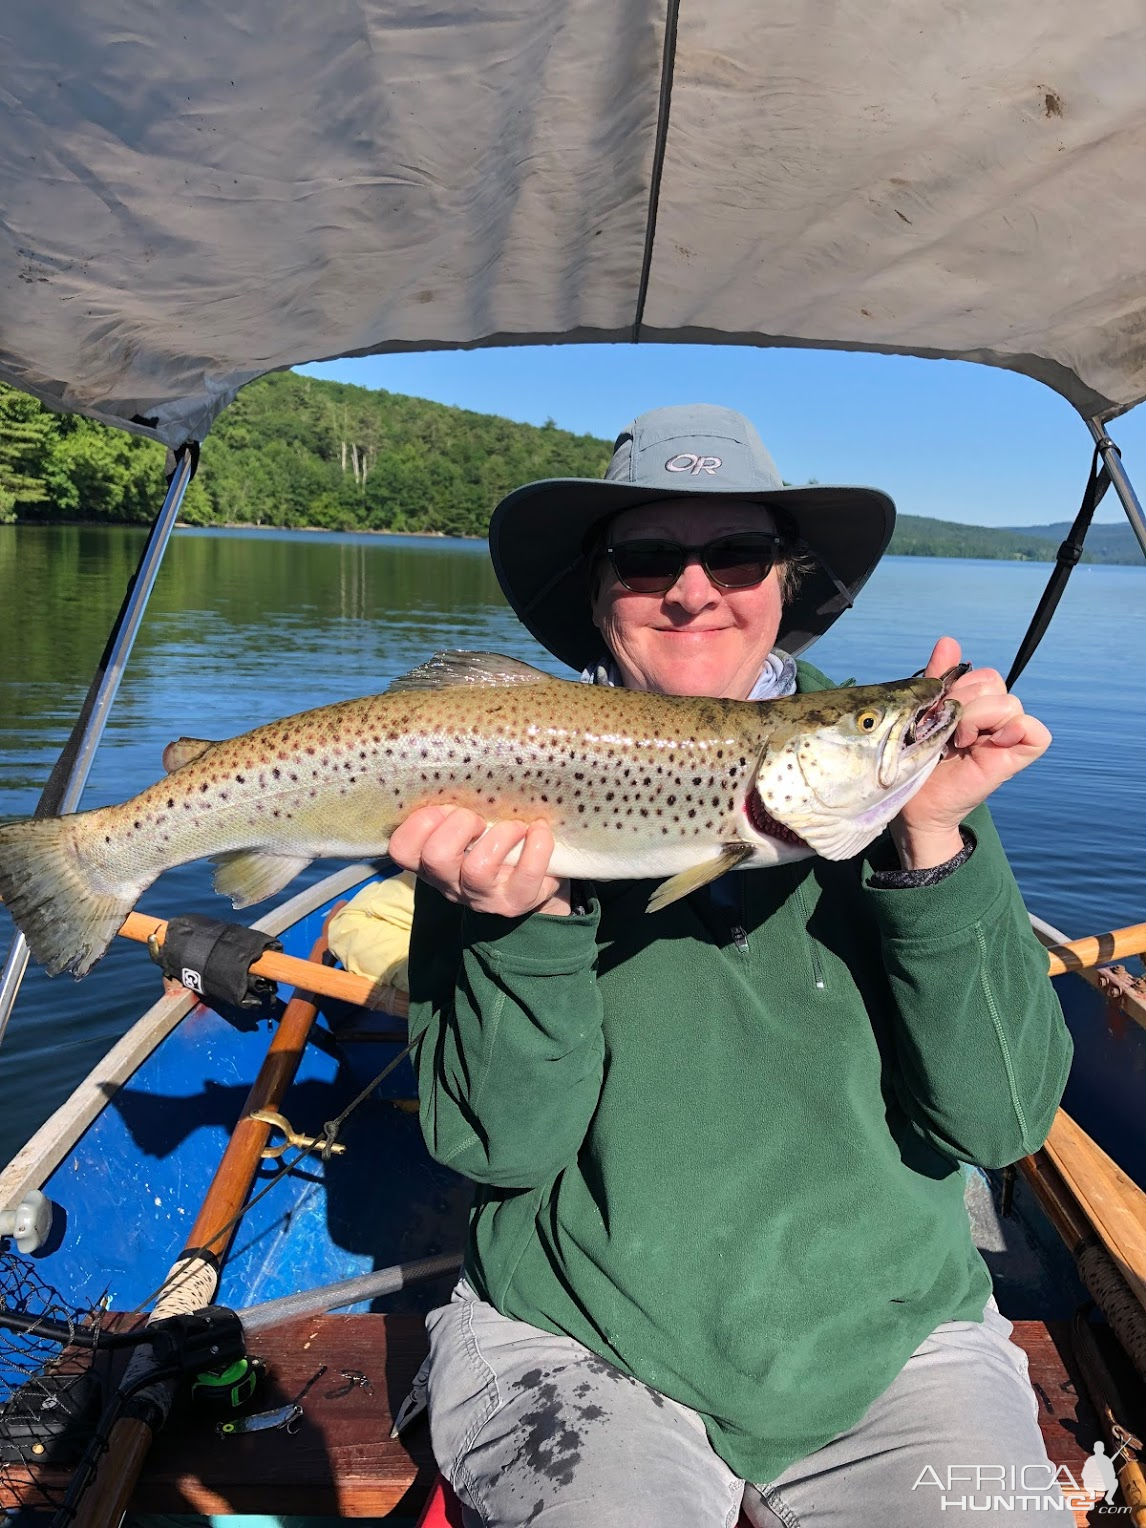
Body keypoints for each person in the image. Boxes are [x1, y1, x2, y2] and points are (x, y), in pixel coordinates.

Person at [388, 405, 1073, 1526]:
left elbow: (1000, 1126)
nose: (694, 589)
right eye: (650, 558)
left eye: (738, 555)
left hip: (890, 1336)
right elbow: (500, 1146)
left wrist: (935, 840)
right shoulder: (499, 795)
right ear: (599, 591)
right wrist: (524, 923)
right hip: (575, 1332)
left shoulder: (904, 788)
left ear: (786, 583)